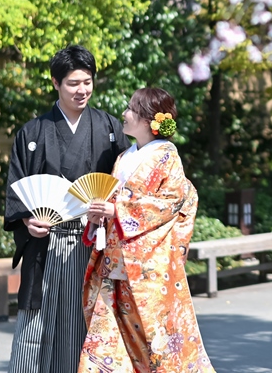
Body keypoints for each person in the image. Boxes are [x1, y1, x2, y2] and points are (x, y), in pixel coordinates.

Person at [4, 45, 130, 373]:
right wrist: (27, 220)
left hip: (92, 243)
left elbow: (128, 184)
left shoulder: (110, 128)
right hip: (46, 243)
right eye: (73, 83)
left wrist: (110, 208)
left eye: (87, 82)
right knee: (36, 327)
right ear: (55, 82)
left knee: (85, 322)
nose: (82, 90)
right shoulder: (32, 132)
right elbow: (18, 188)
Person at [78, 87, 215, 373]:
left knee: (156, 345)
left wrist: (117, 211)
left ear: (148, 120)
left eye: (131, 109)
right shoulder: (125, 156)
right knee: (106, 342)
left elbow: (170, 204)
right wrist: (98, 216)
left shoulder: (167, 156)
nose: (124, 114)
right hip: (115, 261)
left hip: (149, 268)